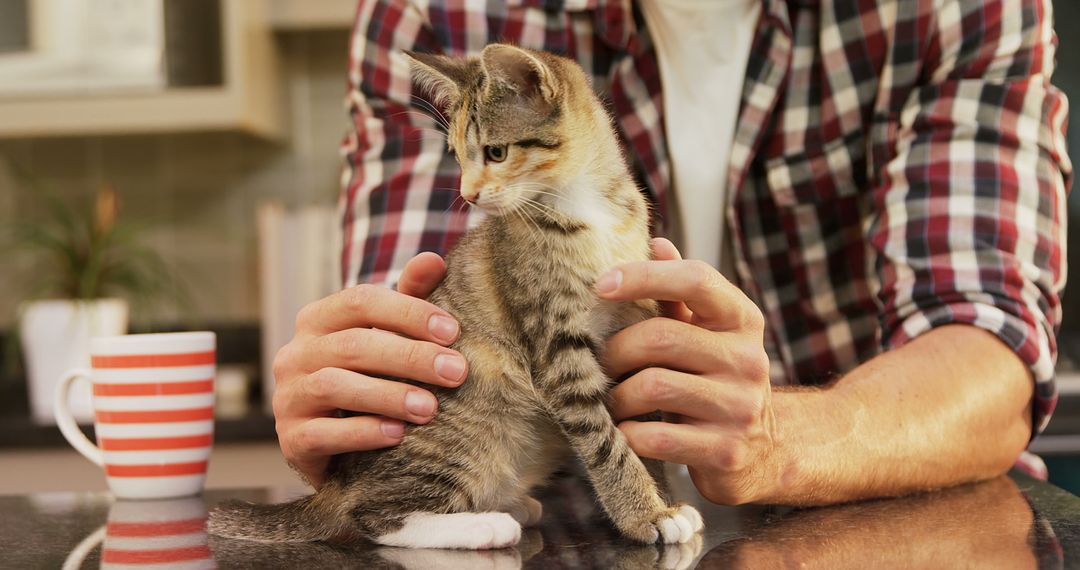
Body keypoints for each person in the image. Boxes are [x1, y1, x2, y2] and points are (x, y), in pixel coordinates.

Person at [270, 0, 1072, 505]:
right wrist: (367, 400)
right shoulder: (437, 16)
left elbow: (988, 353)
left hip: (883, 522)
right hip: (560, 524)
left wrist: (781, 444)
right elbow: (435, 349)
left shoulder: (943, 10)